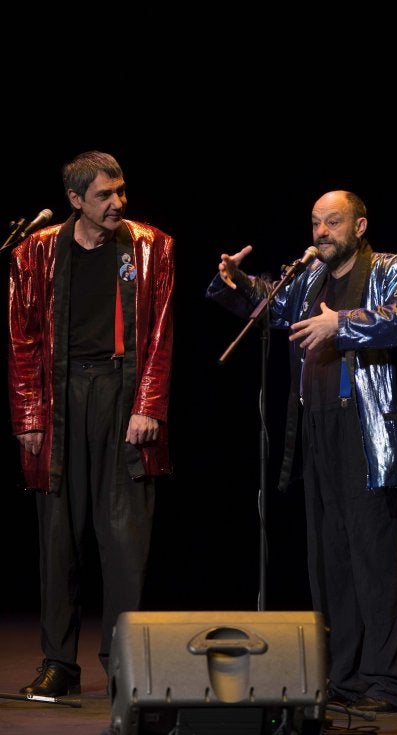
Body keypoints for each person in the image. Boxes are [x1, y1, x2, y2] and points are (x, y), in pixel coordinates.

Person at [205, 190, 397, 713]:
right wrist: (235, 281)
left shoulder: (392, 267)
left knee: (375, 558)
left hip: (367, 431)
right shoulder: (307, 278)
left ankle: (388, 683)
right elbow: (269, 305)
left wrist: (341, 323)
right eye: (315, 223)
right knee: (330, 560)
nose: (321, 232)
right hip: (318, 429)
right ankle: (345, 679)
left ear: (360, 224)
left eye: (333, 222)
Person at [8, 151, 175, 697]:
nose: (117, 203)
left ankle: (124, 662)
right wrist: (30, 414)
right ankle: (59, 662)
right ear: (75, 201)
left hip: (122, 394)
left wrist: (148, 404)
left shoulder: (152, 245)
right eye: (104, 195)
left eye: (120, 191)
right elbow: (24, 337)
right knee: (58, 536)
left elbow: (159, 335)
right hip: (60, 397)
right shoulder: (35, 250)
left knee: (126, 538)